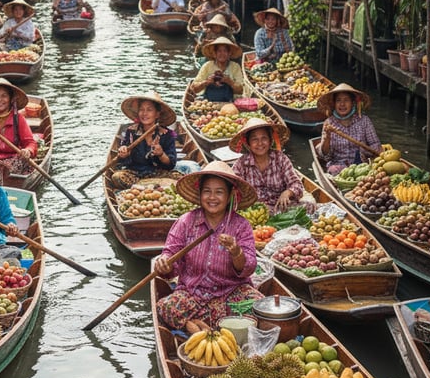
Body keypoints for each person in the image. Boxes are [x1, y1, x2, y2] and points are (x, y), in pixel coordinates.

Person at [154, 161, 260, 332]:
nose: (212, 198)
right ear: (200, 193)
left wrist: (236, 251)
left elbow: (248, 268)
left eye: (219, 192)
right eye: (207, 191)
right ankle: (195, 326)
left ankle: (196, 322)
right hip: (193, 294)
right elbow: (170, 255)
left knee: (257, 308)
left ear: (229, 195)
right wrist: (164, 262)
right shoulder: (186, 222)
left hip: (231, 293)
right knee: (166, 306)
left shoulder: (241, 225)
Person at [230, 118, 303, 215]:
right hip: (255, 213)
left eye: (264, 138)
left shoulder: (280, 159)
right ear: (248, 143)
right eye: (254, 139)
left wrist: (287, 192)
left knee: (309, 206)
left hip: (282, 208)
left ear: (270, 140)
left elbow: (297, 185)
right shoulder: (241, 165)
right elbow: (232, 191)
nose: (260, 143)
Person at [112, 93, 180, 189]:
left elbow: (170, 164)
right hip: (136, 174)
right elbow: (124, 159)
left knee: (180, 178)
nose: (144, 113)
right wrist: (124, 152)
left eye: (149, 110)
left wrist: (161, 154)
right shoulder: (131, 131)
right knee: (117, 177)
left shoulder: (167, 134)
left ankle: (144, 187)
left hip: (158, 174)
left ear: (157, 114)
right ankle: (150, 187)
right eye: (141, 110)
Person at [317, 83, 381, 175]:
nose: (342, 104)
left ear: (352, 103)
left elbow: (376, 144)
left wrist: (363, 150)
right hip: (338, 166)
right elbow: (325, 155)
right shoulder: (329, 123)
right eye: (338, 100)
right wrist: (327, 137)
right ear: (334, 104)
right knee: (333, 171)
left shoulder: (364, 121)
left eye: (346, 100)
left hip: (361, 166)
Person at [191, 36, 244, 102]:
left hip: (230, 102)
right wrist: (207, 82)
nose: (222, 54)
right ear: (215, 54)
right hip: (209, 102)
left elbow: (241, 90)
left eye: (225, 51)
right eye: (219, 51)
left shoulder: (235, 66)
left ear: (229, 54)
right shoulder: (207, 66)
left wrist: (230, 82)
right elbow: (194, 88)